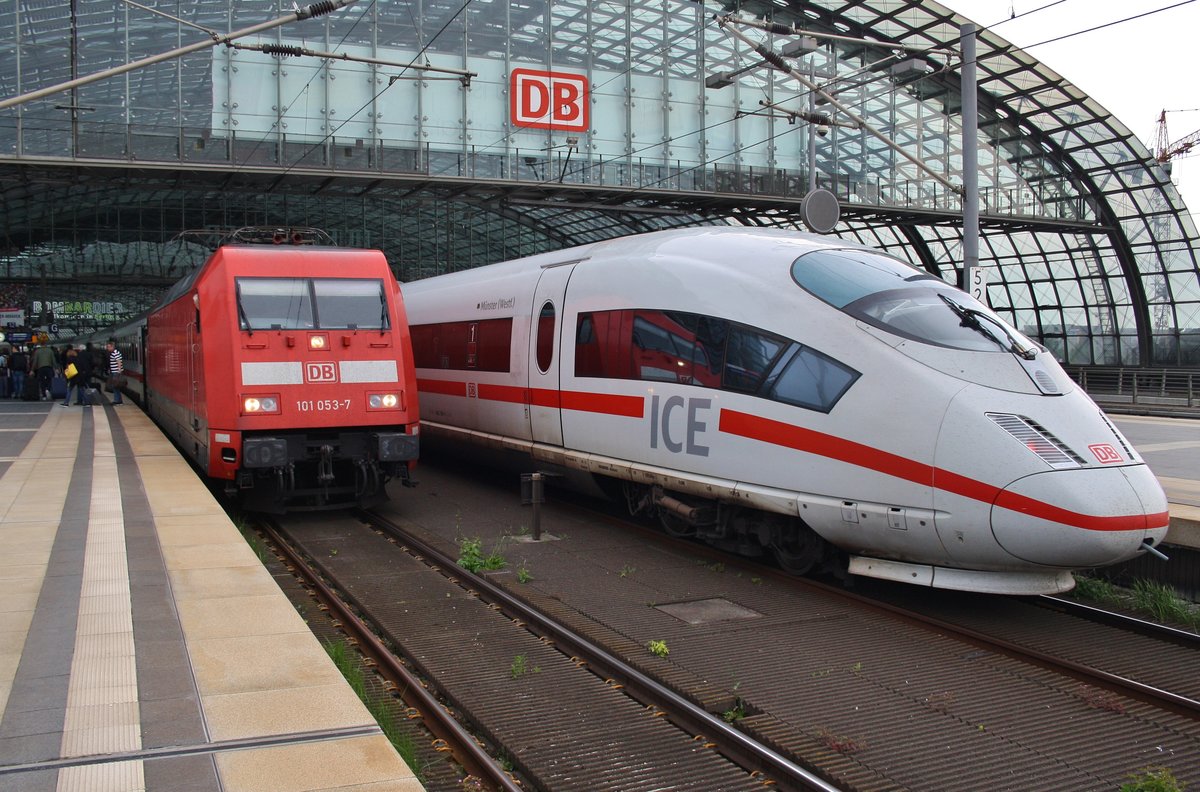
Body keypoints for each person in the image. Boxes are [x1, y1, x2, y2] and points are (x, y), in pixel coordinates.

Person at [105, 338, 124, 405]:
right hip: (114, 372)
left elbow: (119, 362)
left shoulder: (115, 353)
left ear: (112, 346)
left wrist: (119, 371)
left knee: (115, 387)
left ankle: (117, 401)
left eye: (109, 347)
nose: (108, 348)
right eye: (107, 347)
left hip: (116, 372)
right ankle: (118, 400)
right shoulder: (113, 353)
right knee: (116, 387)